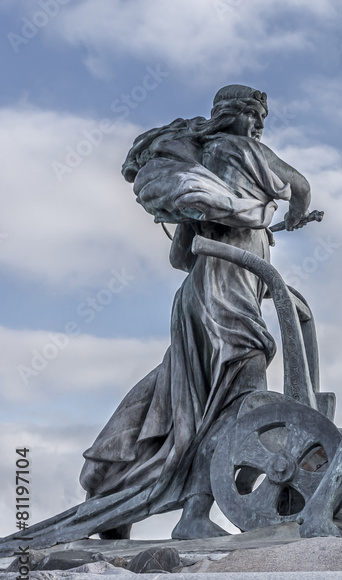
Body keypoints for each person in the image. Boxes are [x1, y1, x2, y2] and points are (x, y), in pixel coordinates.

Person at [7, 85, 320, 545]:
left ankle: (112, 484)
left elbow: (180, 257)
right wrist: (286, 216)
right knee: (240, 403)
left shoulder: (203, 178)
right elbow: (301, 186)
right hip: (226, 305)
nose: (258, 126)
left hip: (198, 299)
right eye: (254, 116)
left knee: (182, 399)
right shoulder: (238, 151)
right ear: (231, 117)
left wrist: (210, 219)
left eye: (261, 120)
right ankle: (193, 513)